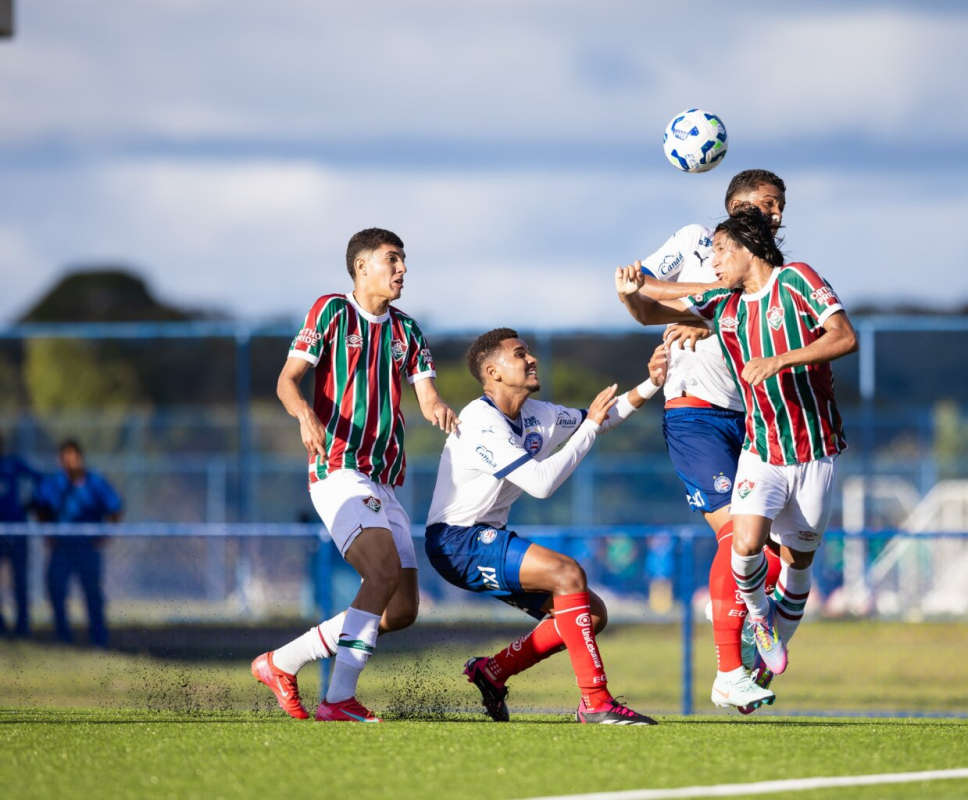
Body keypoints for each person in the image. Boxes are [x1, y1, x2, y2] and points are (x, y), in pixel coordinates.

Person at [615, 207, 857, 687]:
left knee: (797, 563)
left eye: (722, 251)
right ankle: (758, 622)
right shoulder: (723, 302)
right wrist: (631, 289)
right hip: (760, 446)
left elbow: (845, 337)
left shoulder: (796, 279)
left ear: (749, 249)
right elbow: (652, 309)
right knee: (743, 544)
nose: (714, 261)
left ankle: (768, 654)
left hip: (814, 449)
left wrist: (780, 360)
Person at [252, 227, 459, 723]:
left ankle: (282, 662)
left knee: (401, 610)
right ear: (362, 266)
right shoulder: (332, 311)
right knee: (381, 572)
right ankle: (338, 699)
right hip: (338, 470)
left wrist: (441, 410)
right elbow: (286, 380)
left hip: (383, 481)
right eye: (393, 259)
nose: (402, 269)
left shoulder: (408, 331)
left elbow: (428, 395)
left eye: (403, 260)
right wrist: (305, 415)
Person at [615, 169, 791, 713]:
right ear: (737, 205)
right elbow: (642, 299)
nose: (776, 214)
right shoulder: (696, 241)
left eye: (780, 206)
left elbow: (746, 315)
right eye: (768, 203)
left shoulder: (775, 272)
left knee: (776, 551)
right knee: (736, 535)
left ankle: (749, 626)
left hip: (752, 415)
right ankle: (729, 672)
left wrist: (707, 319)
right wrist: (638, 294)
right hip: (694, 413)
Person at [425, 328, 664, 725]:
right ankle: (596, 702)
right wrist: (589, 428)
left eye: (529, 352)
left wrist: (652, 383)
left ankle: (492, 672)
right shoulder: (479, 422)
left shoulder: (538, 414)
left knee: (592, 613)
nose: (532, 358)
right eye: (520, 354)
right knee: (568, 573)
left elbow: (599, 418)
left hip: (484, 538)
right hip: (456, 542)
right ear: (493, 372)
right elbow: (540, 484)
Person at [34, 439, 121, 647]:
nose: (69, 463)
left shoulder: (95, 481)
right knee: (56, 589)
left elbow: (115, 507)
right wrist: (48, 534)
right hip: (62, 548)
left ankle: (99, 639)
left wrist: (106, 534)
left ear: (80, 458)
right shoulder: (54, 483)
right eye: (65, 458)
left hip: (87, 548)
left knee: (92, 593)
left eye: (72, 457)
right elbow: (40, 507)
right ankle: (63, 638)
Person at [0, 431, 39, 638]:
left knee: (20, 580)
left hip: (17, 532)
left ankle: (23, 626)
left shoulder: (13, 464)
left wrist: (30, 505)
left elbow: (41, 480)